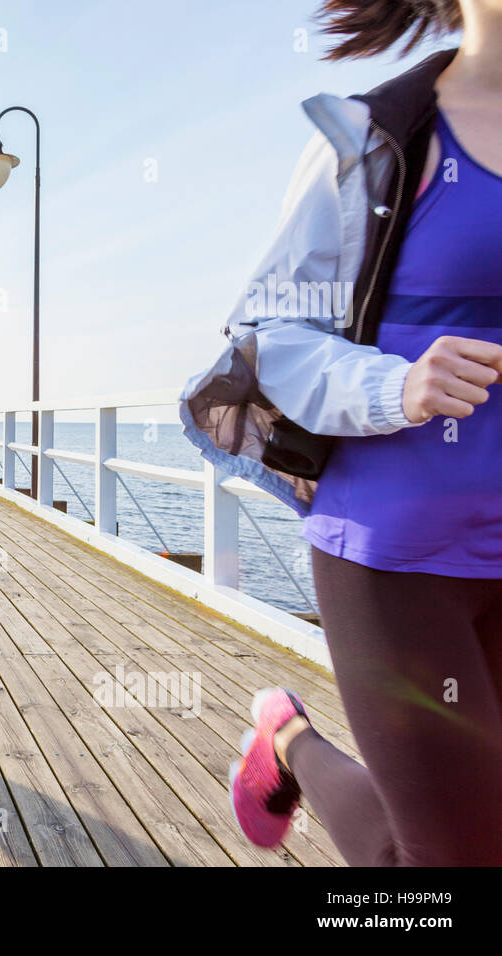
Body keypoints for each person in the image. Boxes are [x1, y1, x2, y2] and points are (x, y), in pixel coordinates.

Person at [181, 0, 502, 865]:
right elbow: (270, 339)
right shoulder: (372, 139)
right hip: (396, 555)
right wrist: (401, 385)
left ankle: (283, 738)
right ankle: (289, 740)